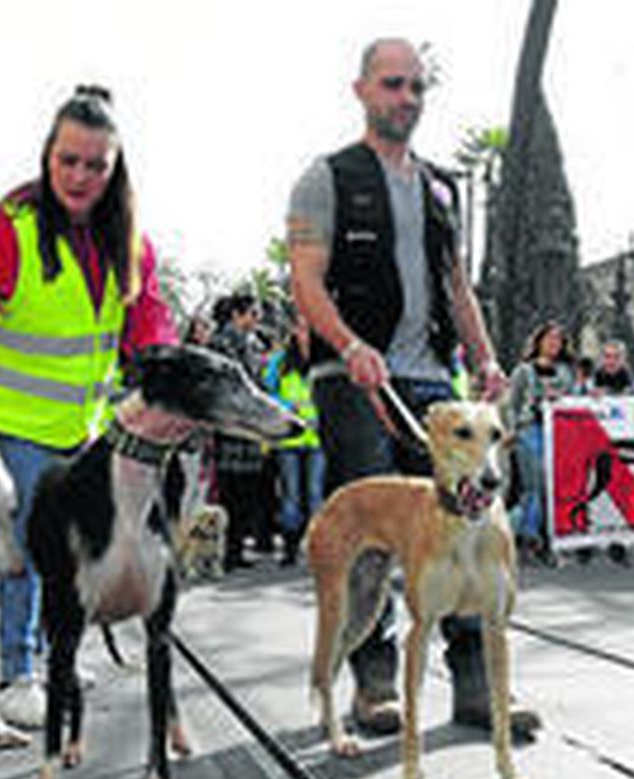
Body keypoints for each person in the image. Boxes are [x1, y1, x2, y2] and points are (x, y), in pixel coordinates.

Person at [0, 85, 188, 728]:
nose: (79, 176)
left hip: (83, 428)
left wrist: (166, 387)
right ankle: (17, 672)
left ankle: (55, 656)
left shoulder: (129, 242)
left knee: (74, 552)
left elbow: (150, 324)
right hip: (13, 424)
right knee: (25, 549)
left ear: (115, 168)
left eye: (95, 165)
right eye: (68, 160)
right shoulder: (11, 229)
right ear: (48, 156)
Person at [288, 37, 538, 738]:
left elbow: (457, 285)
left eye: (416, 87)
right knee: (372, 535)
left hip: (435, 379)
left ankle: (475, 686)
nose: (406, 98)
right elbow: (305, 280)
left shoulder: (441, 186)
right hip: (355, 378)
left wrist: (485, 362)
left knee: (467, 524)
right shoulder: (325, 178)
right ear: (362, 90)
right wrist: (349, 345)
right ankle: (373, 683)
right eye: (393, 85)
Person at [208, 293, 272, 570]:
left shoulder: (255, 343)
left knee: (248, 491)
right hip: (229, 425)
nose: (257, 320)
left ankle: (237, 548)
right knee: (228, 490)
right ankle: (225, 552)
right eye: (252, 314)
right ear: (236, 314)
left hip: (252, 427)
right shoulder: (220, 342)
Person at [505, 321, 574, 564]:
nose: (554, 343)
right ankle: (528, 539)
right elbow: (511, 404)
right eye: (549, 338)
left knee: (551, 488)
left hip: (557, 432)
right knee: (534, 484)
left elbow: (575, 401)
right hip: (529, 430)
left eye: (558, 339)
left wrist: (564, 398)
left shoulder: (566, 372)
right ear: (539, 341)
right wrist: (511, 431)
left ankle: (547, 540)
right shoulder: (523, 371)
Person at [264, 317, 326, 566]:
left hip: (316, 439)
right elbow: (267, 393)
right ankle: (290, 548)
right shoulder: (279, 362)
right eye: (302, 327)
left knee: (315, 495)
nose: (306, 332)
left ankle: (319, 547)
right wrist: (291, 407)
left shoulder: (323, 356)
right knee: (291, 495)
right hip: (288, 439)